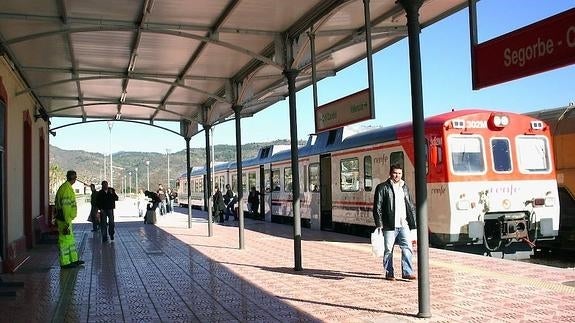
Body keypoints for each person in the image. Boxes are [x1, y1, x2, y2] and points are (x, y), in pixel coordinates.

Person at [372, 164, 417, 281]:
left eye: (399, 173)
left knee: (407, 248)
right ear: (390, 173)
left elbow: (410, 206)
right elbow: (377, 207)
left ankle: (407, 272)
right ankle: (389, 272)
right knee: (388, 250)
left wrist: (413, 223)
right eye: (395, 173)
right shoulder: (382, 187)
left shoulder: (404, 187)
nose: (397, 175)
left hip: (404, 224)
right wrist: (379, 224)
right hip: (389, 225)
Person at [54, 170, 84, 269]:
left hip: (66, 219)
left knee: (70, 240)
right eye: (75, 177)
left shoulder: (66, 187)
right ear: (73, 178)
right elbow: (66, 208)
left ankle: (73, 260)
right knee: (64, 241)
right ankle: (65, 262)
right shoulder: (66, 189)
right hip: (64, 220)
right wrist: (67, 222)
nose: (75, 179)